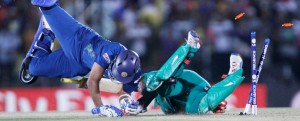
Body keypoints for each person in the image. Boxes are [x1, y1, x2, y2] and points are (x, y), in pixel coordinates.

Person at [19, 0, 141, 115]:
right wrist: (100, 108)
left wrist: (126, 102)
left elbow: (123, 90)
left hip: (79, 65)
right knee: (45, 4)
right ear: (115, 60)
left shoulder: (133, 72)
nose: (116, 78)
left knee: (34, 68)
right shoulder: (111, 51)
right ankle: (50, 18)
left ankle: (47, 30)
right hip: (79, 41)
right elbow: (93, 81)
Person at [126, 31, 245, 115]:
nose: (138, 88)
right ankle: (190, 48)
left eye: (137, 84)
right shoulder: (150, 89)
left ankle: (234, 74)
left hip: (190, 84)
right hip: (178, 97)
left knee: (194, 108)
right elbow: (148, 96)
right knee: (187, 108)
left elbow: (157, 80)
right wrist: (139, 106)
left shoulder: (149, 80)